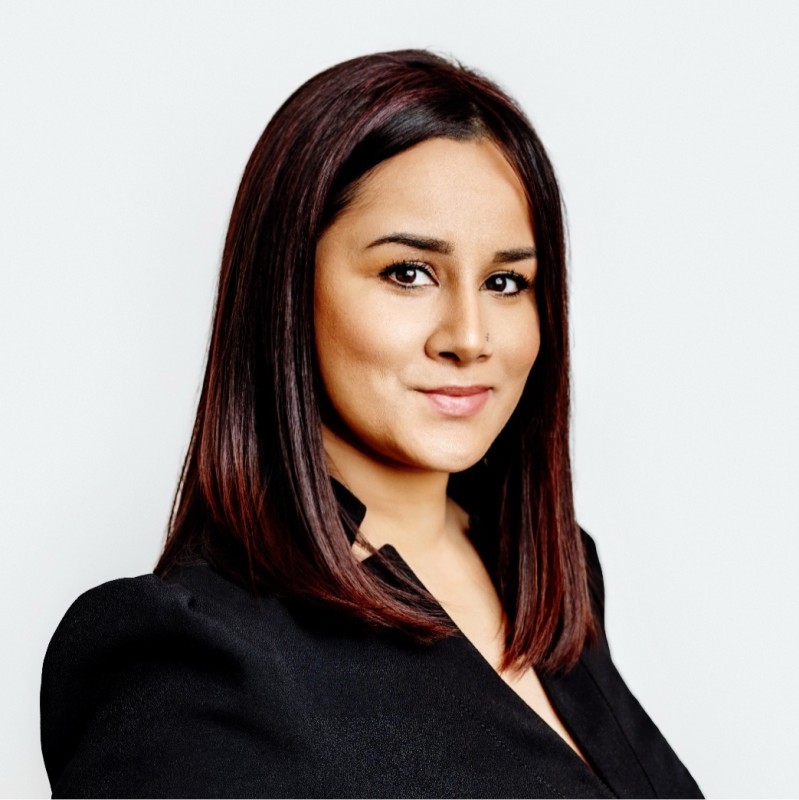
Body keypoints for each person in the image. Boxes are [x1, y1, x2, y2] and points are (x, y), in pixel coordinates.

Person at [40, 50, 702, 798]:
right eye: (407, 273)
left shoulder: (553, 574)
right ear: (288, 289)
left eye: (505, 281)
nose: (469, 337)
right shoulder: (189, 657)